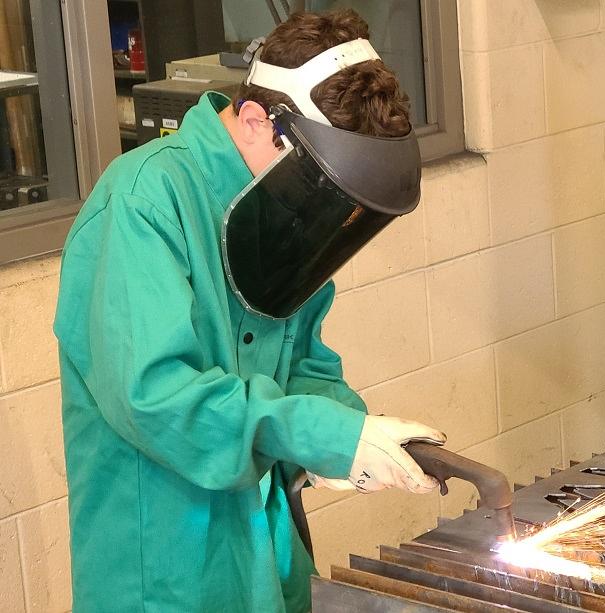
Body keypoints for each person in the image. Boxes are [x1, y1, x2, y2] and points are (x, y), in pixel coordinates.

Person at [53, 9, 444, 612]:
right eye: (317, 183)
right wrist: (316, 434)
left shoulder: (276, 210)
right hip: (164, 575)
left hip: (265, 558)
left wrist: (350, 433)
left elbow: (304, 360)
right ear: (260, 120)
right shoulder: (142, 203)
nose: (316, 207)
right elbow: (155, 398)